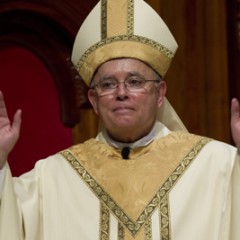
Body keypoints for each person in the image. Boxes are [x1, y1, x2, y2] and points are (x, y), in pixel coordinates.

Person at [0, 0, 240, 239]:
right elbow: (10, 220)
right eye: (108, 84)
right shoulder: (52, 178)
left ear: (160, 93)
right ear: (93, 100)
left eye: (135, 82)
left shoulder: (218, 165)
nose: (121, 92)